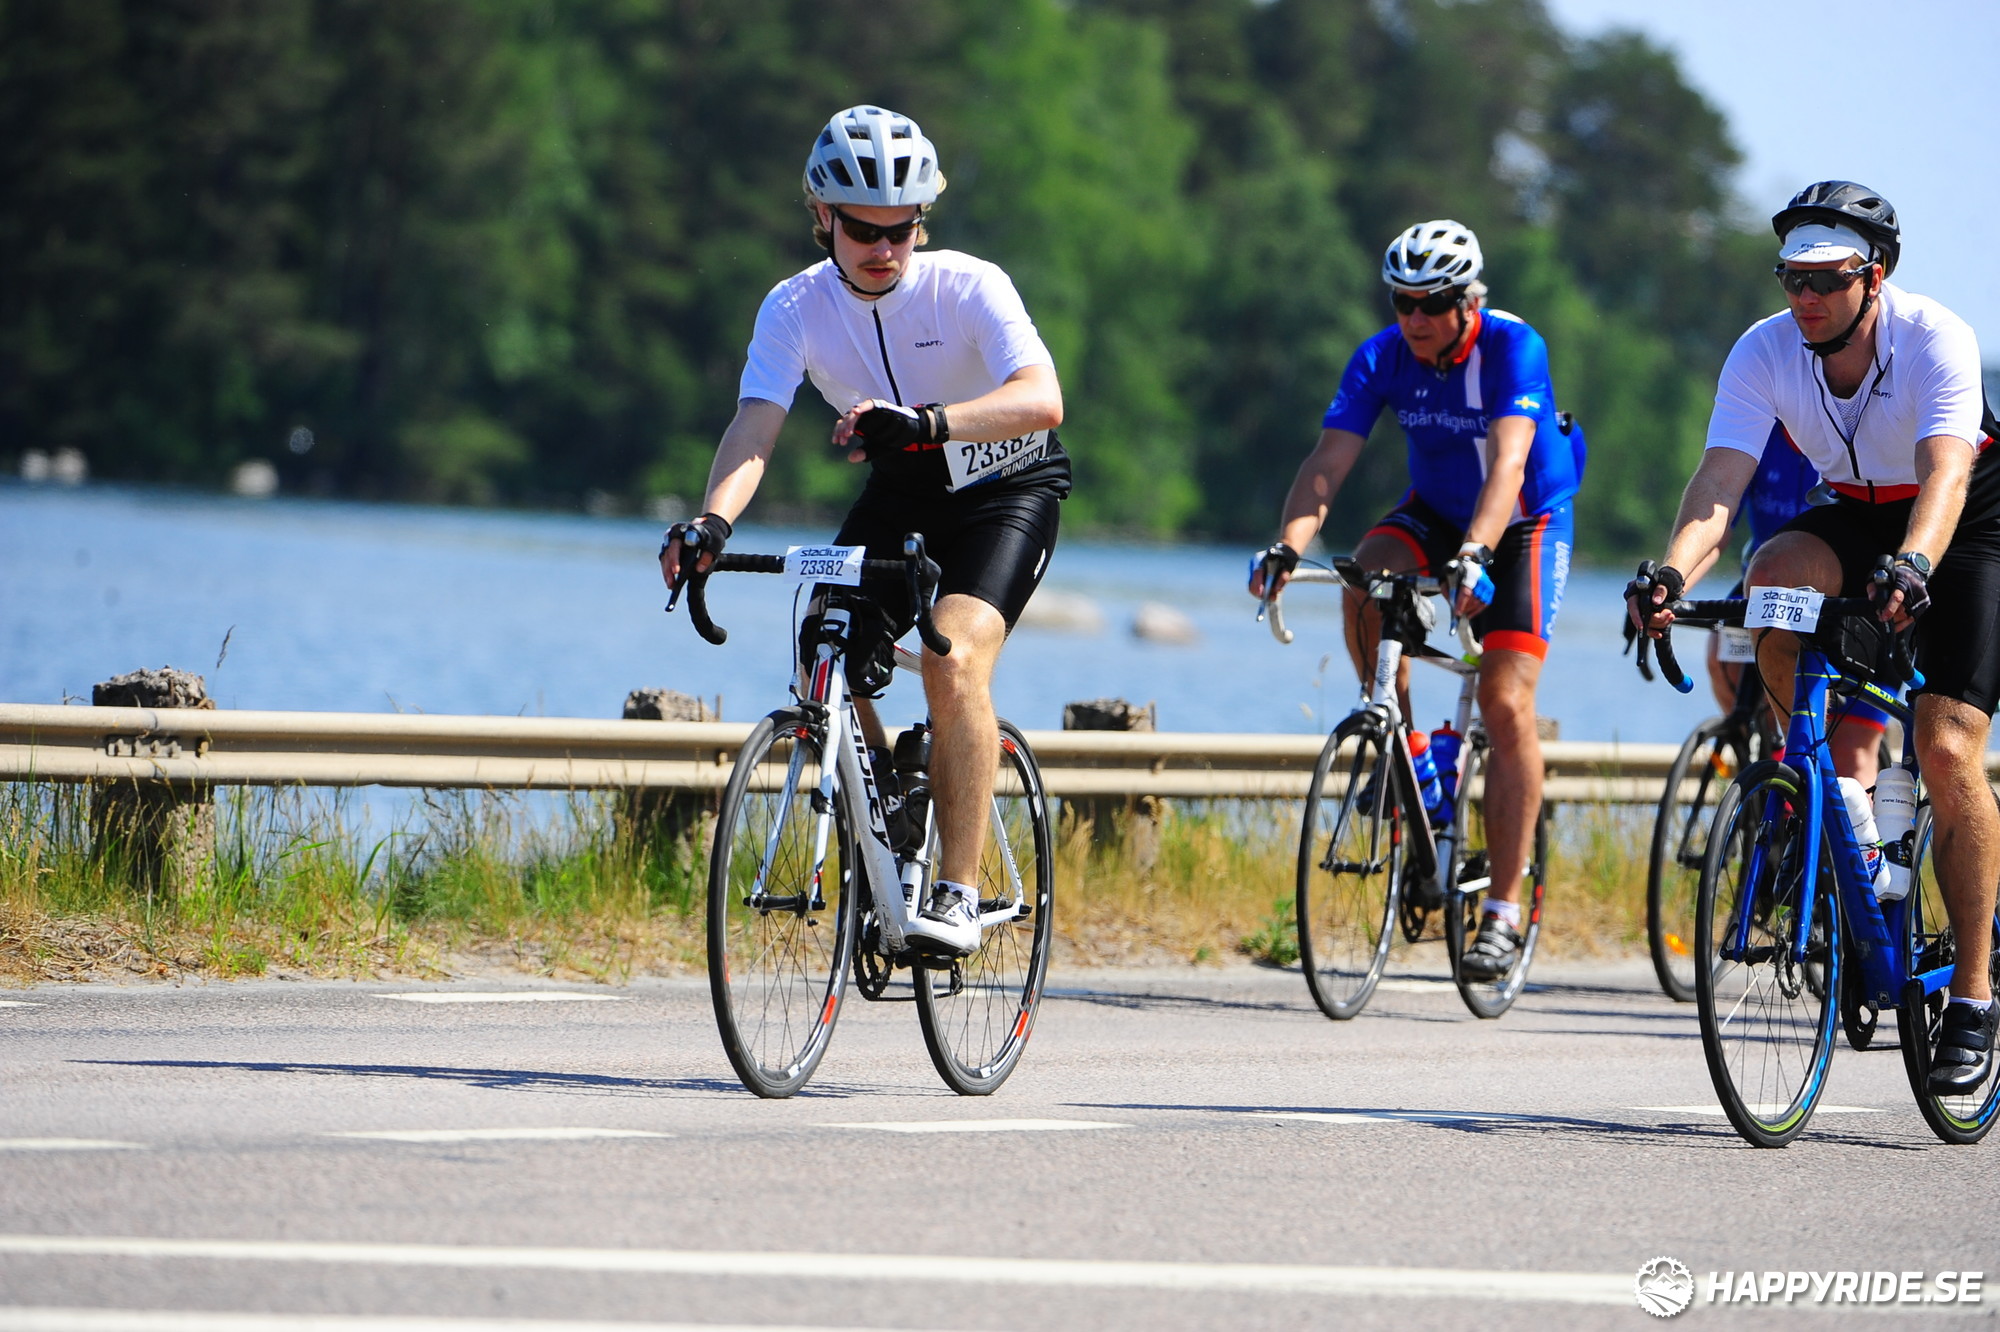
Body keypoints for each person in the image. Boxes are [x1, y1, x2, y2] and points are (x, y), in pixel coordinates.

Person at [659, 105, 1068, 957]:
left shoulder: (969, 286)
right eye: (861, 229)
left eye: (900, 229)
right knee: (826, 643)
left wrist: (927, 422)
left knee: (952, 659)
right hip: (904, 492)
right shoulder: (795, 307)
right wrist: (711, 522)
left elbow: (1042, 399)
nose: (883, 249)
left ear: (922, 221)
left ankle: (957, 892)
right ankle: (889, 805)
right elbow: (755, 427)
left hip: (1006, 488)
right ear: (822, 216)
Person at [1628, 181, 1999, 1093]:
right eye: (1793, 278)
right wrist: (1672, 576)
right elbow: (1720, 482)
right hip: (1859, 513)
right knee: (1774, 576)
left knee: (1946, 748)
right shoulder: (1764, 349)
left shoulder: (1936, 337)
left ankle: (1974, 997)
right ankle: (1834, 800)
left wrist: (1914, 567)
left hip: (1968, 521)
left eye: (1827, 281)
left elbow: (1946, 476)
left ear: (1875, 277)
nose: (1806, 298)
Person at [1249, 219, 1583, 982]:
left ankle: (1502, 912)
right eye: (1403, 301)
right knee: (1364, 579)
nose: (1415, 317)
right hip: (1434, 511)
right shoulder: (1382, 355)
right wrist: (1287, 546)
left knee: (1504, 702)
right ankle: (1404, 755)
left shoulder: (1514, 348)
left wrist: (1476, 555)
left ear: (1469, 302)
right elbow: (1328, 462)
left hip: (1524, 521)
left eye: (1432, 302)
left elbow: (1508, 467)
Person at [1699, 422, 1887, 784]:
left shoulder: (1846, 430)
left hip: (1843, 587)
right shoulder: (1762, 433)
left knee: (1851, 749)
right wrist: (1674, 583)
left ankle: (1819, 784)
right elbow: (1718, 525)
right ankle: (1769, 752)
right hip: (1765, 579)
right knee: (1722, 650)